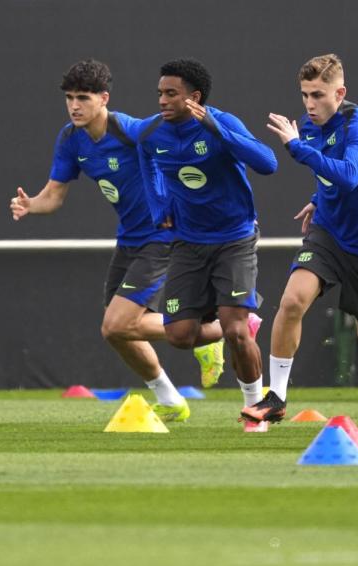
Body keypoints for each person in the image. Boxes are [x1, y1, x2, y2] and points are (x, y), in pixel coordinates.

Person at [9, 58, 218, 422]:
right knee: (117, 332)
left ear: (103, 98)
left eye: (84, 98)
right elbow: (54, 196)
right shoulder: (71, 139)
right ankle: (171, 401)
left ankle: (213, 332)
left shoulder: (131, 131)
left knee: (115, 324)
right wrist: (31, 206)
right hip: (130, 241)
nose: (75, 105)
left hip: (163, 237)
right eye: (70, 98)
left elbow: (177, 156)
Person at [242, 54, 358, 435]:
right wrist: (319, 200)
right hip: (329, 233)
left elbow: (351, 175)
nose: (309, 104)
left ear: (340, 92)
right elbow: (329, 174)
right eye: (304, 95)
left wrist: (296, 148)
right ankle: (278, 398)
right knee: (291, 302)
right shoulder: (309, 125)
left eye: (318, 95)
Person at [137, 59, 277, 431]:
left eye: (171, 93)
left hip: (235, 238)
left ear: (194, 97)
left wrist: (213, 127)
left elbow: (268, 163)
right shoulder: (152, 133)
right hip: (188, 241)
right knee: (178, 336)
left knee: (235, 331)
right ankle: (243, 323)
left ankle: (254, 409)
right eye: (160, 93)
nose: (162, 100)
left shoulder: (222, 122)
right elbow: (147, 164)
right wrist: (159, 204)